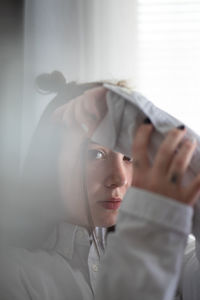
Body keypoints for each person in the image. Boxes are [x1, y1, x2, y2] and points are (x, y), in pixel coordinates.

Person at [0, 78, 200, 300]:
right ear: (48, 162)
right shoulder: (13, 275)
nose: (119, 178)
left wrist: (143, 116)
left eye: (129, 157)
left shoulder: (175, 255)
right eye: (95, 154)